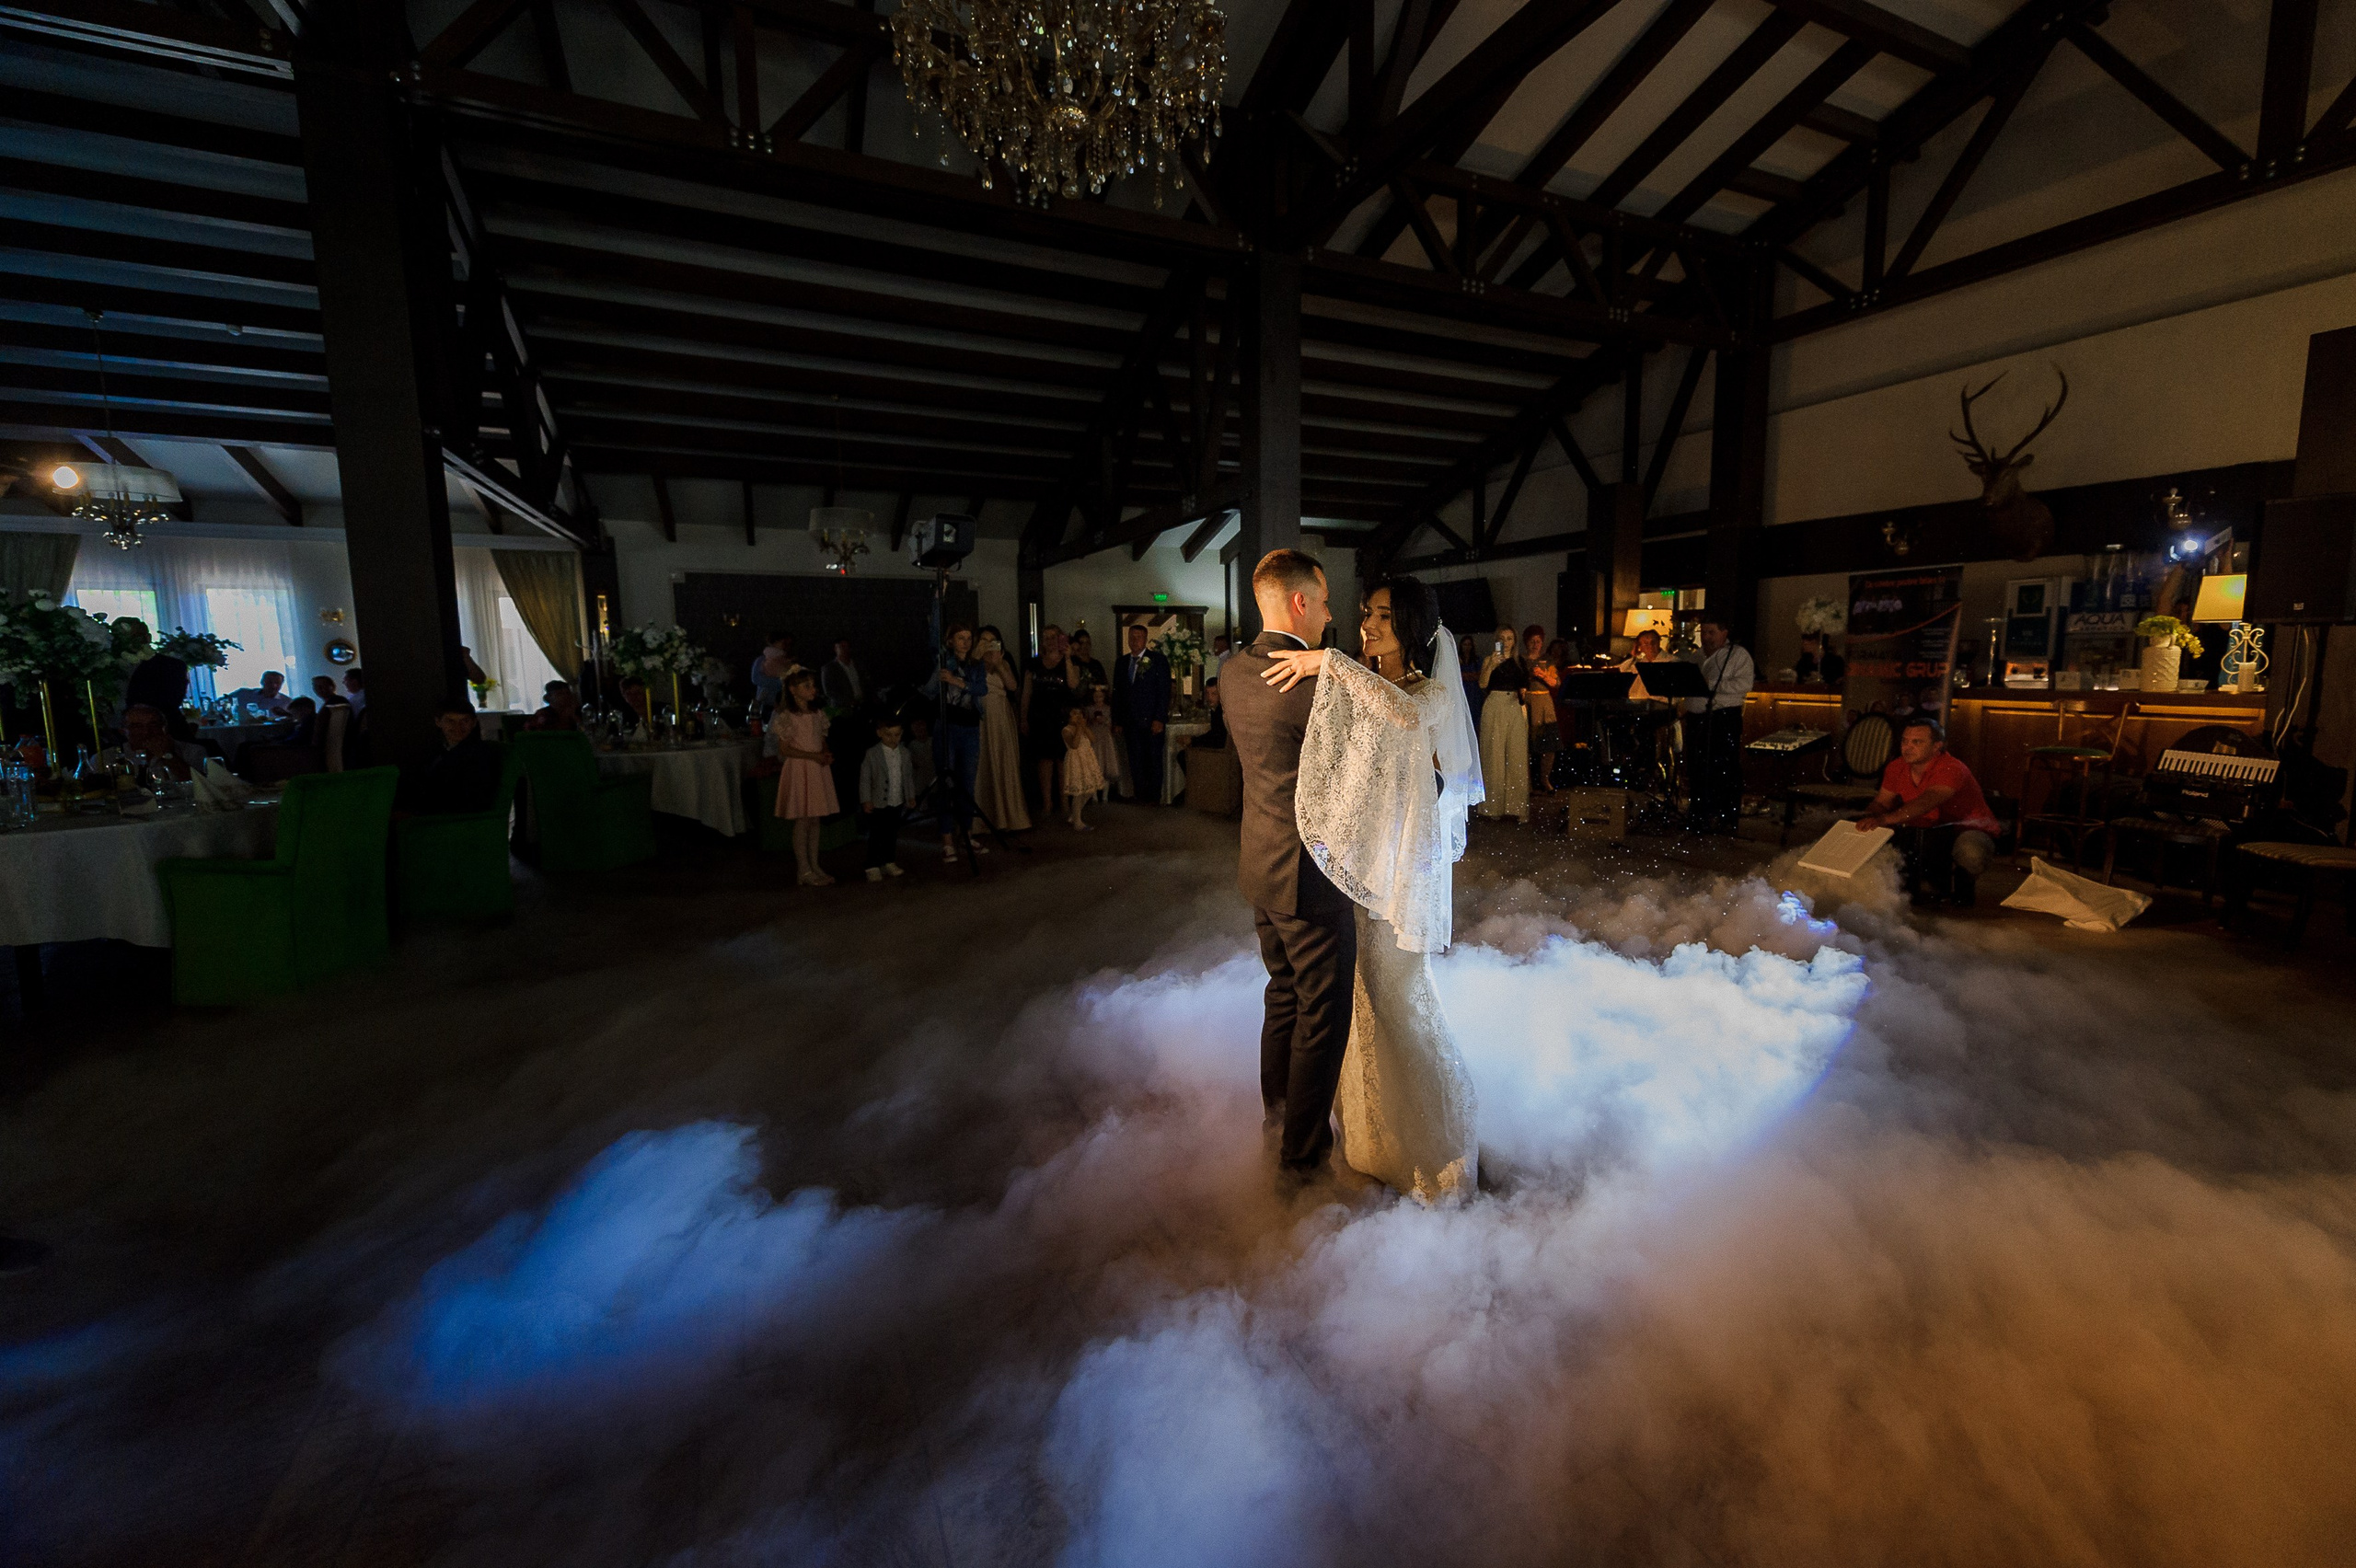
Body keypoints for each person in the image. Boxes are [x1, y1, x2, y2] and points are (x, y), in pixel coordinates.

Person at [1259, 574, 1484, 1204]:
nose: (1368, 625)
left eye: (1383, 616)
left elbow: (1407, 718)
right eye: (1365, 614)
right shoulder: (1362, 686)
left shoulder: (1431, 694)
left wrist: (1328, 662)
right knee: (1359, 1010)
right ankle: (1375, 1143)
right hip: (1357, 875)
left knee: (1400, 1005)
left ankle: (1437, 1148)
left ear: (1411, 627)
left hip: (1402, 880)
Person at [1220, 548, 1354, 1186]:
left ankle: (1276, 1121)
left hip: (1260, 864)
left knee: (1283, 998)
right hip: (1310, 873)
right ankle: (1300, 1161)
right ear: (1300, 601)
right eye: (1324, 600)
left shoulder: (1232, 672)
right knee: (1321, 1017)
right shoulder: (1316, 683)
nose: (1330, 615)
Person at [1854, 716, 2001, 905]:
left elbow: (1926, 802)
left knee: (1971, 853)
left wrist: (1884, 820)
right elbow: (1882, 802)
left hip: (1965, 830)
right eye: (1905, 741)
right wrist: (1866, 818)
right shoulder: (1897, 766)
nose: (1907, 747)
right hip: (1926, 831)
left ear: (1936, 747)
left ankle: (1964, 885)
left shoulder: (1951, 768)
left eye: (1917, 742)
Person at [921, 624, 988, 863]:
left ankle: (967, 834)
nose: (965, 642)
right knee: (946, 783)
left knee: (967, 784)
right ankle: (947, 839)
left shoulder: (975, 664)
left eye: (969, 638)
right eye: (961, 638)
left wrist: (958, 682)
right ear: (951, 641)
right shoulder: (944, 660)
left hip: (970, 728)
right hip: (947, 727)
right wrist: (940, 596)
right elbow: (933, 635)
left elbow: (982, 689)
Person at [1684, 613, 1755, 834]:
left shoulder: (1738, 655)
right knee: (1697, 766)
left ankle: (1726, 817)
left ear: (1725, 633)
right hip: (1696, 717)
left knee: (1724, 767)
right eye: (1703, 632)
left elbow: (1745, 684)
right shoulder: (1696, 656)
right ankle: (1699, 814)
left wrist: (1711, 683)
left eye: (1711, 632)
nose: (1706, 637)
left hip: (1723, 717)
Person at [771, 668, 838, 886]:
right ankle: (803, 869)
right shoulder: (788, 717)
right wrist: (813, 755)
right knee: (803, 820)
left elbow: (820, 738)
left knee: (815, 819)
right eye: (806, 686)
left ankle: (815, 864)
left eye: (813, 685)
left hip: (817, 768)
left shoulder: (817, 714)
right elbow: (785, 750)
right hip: (800, 769)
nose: (813, 690)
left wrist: (825, 753)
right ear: (793, 690)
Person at [973, 626, 1031, 832]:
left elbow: (1013, 686)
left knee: (1004, 760)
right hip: (980, 715)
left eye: (993, 640)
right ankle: (982, 820)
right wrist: (977, 657)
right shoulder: (973, 662)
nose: (989, 644)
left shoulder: (1004, 661)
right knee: (983, 762)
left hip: (1001, 714)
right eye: (984, 640)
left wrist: (999, 664)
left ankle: (1010, 817)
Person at [1021, 627, 1077, 817]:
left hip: (1061, 717)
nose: (1050, 641)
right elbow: (1026, 693)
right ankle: (1047, 802)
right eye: (1046, 638)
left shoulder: (1069, 661)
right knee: (1044, 761)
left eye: (1054, 637)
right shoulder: (1033, 664)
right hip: (1040, 717)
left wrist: (1068, 657)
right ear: (1042, 641)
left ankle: (1064, 801)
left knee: (1062, 761)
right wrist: (1023, 718)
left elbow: (1073, 684)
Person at [1112, 622, 1172, 804]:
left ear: (1145, 639)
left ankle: (1153, 797)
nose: (1134, 640)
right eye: (1132, 637)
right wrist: (1117, 720)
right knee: (1135, 760)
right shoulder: (1122, 663)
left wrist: (1159, 718)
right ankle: (1140, 795)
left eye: (1138, 637)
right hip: (1130, 721)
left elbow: (1164, 692)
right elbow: (1117, 694)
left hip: (1151, 720)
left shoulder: (1157, 660)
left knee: (1153, 759)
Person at [1476, 629, 1530, 822]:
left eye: (1509, 639)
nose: (1506, 642)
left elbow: (1524, 685)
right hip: (1494, 704)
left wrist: (1522, 695)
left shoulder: (1519, 662)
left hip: (1514, 706)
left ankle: (1517, 808)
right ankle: (1492, 807)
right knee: (1493, 756)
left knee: (1517, 756)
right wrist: (1491, 665)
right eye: (1502, 639)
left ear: (1514, 641)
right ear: (1496, 640)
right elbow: (1482, 684)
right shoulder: (1489, 660)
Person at [410, 703, 502, 814]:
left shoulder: (478, 755)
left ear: (473, 723)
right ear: (438, 722)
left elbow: (470, 799)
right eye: (450, 721)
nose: (458, 727)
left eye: (465, 721)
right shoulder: (435, 751)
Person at [857, 716, 913, 882]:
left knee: (892, 833)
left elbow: (908, 777)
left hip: (896, 800)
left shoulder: (904, 753)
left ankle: (888, 861)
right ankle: (872, 864)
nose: (893, 739)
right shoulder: (872, 753)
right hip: (878, 802)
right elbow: (865, 778)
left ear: (901, 734)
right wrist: (866, 799)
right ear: (879, 733)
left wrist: (910, 796)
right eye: (888, 735)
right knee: (876, 834)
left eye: (896, 735)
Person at [1068, 628, 1119, 798]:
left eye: (1088, 643)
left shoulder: (1096, 664)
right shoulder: (1073, 662)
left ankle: (1100, 791)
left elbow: (1104, 684)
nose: (1085, 646)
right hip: (1081, 711)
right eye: (1081, 643)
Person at [101, 703, 205, 778]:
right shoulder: (106, 758)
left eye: (153, 724)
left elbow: (202, 786)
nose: (146, 731)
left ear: (164, 727)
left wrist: (169, 755)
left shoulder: (192, 752)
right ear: (123, 731)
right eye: (137, 726)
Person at [1522, 626, 1561, 795]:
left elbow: (1556, 683)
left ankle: (1545, 778)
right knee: (1526, 746)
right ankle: (1527, 783)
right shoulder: (1521, 660)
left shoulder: (1548, 660)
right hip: (1528, 701)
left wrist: (1543, 675)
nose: (1535, 644)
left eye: (1538, 641)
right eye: (1532, 641)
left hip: (1545, 702)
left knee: (1549, 745)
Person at [1060, 699, 1106, 830]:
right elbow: (1074, 745)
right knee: (1079, 792)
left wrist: (1084, 727)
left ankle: (1075, 814)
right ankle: (1077, 821)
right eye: (1075, 714)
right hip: (1076, 761)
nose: (1078, 716)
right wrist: (1079, 729)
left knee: (1090, 789)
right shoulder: (1067, 730)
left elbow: (1093, 739)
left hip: (1086, 759)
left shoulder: (1083, 729)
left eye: (1080, 713)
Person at [750, 631, 793, 712]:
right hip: (766, 703)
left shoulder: (787, 661)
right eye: (783, 642)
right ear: (775, 642)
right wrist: (781, 682)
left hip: (784, 703)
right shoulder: (762, 660)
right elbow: (756, 678)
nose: (785, 646)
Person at [821, 638, 864, 711]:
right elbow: (829, 691)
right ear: (835, 648)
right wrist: (848, 701)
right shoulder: (829, 668)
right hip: (843, 708)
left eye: (846, 647)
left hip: (862, 704)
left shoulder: (857, 665)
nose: (844, 649)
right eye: (842, 647)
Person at [225, 670, 291, 718]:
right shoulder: (242, 694)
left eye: (277, 683)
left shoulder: (287, 702)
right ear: (262, 682)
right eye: (269, 682)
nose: (273, 686)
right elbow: (220, 703)